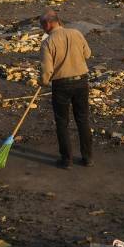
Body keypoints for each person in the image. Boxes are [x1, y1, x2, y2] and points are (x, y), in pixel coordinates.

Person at [39, 9, 92, 168]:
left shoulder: (47, 42)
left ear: (48, 24)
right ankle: (87, 158)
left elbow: (47, 70)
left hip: (61, 85)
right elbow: (87, 54)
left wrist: (42, 81)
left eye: (42, 25)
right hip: (81, 81)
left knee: (62, 122)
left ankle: (66, 160)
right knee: (82, 120)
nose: (42, 29)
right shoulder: (76, 33)